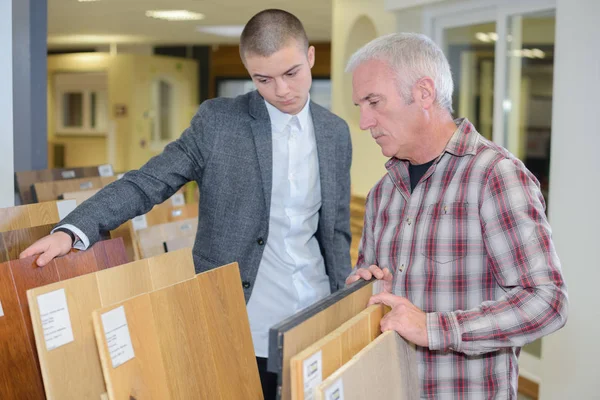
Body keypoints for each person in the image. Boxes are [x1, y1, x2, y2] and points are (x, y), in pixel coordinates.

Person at [21, 9, 352, 400]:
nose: (281, 89)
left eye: (291, 73)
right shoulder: (218, 123)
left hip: (316, 314)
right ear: (249, 72)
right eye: (263, 79)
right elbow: (148, 182)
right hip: (240, 317)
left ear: (310, 57)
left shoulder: (334, 132)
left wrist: (345, 296)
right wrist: (74, 229)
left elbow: (335, 229)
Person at [345, 33, 567, 399]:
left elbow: (548, 301)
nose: (364, 121)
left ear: (424, 93)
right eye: (360, 105)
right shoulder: (381, 194)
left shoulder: (495, 175)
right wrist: (367, 290)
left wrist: (435, 328)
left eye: (373, 102)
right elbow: (381, 300)